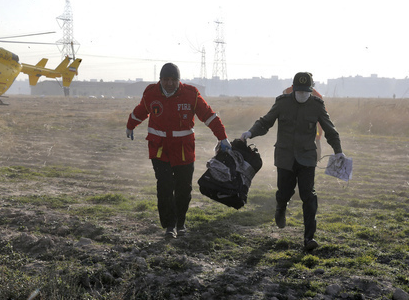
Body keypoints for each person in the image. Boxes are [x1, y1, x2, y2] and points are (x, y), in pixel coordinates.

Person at [240, 72, 345, 251]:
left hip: (307, 157)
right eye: (299, 92)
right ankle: (281, 208)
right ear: (293, 89)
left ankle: (309, 238)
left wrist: (339, 151)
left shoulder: (317, 105)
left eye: (306, 92)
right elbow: (266, 122)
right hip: (285, 157)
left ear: (311, 90)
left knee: (308, 196)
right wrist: (250, 133)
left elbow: (330, 130)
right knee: (284, 192)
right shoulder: (282, 102)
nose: (303, 95)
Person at [126, 62, 230, 239]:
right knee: (164, 186)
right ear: (160, 80)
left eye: (173, 80)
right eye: (165, 79)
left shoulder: (191, 94)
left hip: (184, 150)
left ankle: (181, 222)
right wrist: (130, 125)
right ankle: (169, 226)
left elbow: (208, 115)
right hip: (159, 149)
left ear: (178, 81)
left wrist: (222, 137)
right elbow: (141, 111)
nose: (169, 83)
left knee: (183, 188)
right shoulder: (151, 93)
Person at [283, 77, 324, 160]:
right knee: (315, 140)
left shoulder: (290, 90)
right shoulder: (317, 95)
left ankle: (315, 158)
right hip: (307, 124)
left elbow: (284, 94)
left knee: (315, 139)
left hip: (307, 124)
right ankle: (316, 158)